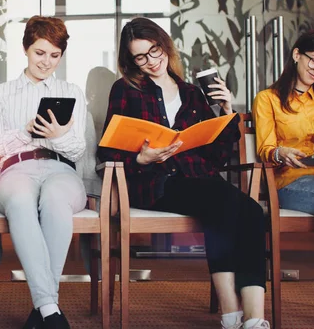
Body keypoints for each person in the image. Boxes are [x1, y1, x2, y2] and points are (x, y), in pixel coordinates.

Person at [97, 17, 269, 329]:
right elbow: (107, 152)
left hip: (199, 180)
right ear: (130, 60)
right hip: (155, 183)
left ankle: (254, 316)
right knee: (222, 199)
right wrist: (143, 158)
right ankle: (230, 309)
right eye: (140, 56)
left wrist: (227, 112)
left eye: (154, 51)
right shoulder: (125, 90)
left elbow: (215, 157)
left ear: (164, 45)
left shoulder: (191, 93)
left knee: (253, 212)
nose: (151, 61)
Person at [0, 16, 87, 329]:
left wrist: (57, 136)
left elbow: (78, 149)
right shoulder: (1, 93)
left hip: (61, 168)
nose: (47, 62)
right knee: (22, 200)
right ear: (26, 49)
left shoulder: (72, 91)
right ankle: (49, 308)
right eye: (40, 53)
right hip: (16, 169)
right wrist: (27, 132)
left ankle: (44, 308)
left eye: (55, 56)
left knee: (55, 198)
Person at [253, 29, 314, 294]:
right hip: (291, 182)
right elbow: (265, 148)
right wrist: (280, 152)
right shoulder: (268, 99)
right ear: (297, 54)